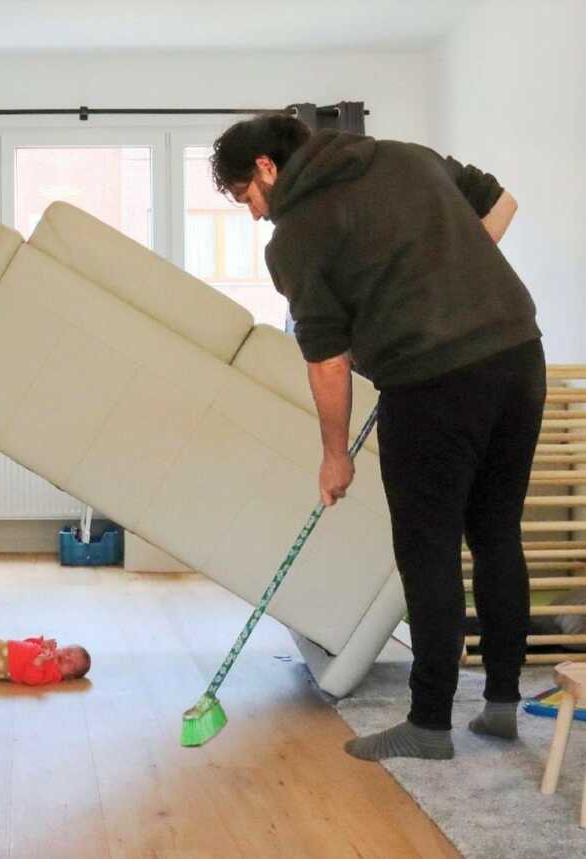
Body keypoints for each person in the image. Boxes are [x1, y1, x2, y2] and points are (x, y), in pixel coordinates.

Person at [210, 112, 544, 761]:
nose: (252, 214)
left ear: (267, 168)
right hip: (517, 356)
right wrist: (451, 287)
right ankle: (502, 704)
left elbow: (328, 361)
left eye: (244, 197)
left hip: (432, 385)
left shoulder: (296, 236)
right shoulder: (403, 156)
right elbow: (501, 204)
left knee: (430, 552)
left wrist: (334, 456)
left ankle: (428, 725)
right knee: (497, 534)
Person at [0, 627, 91, 685]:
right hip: (0, 647)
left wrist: (39, 661)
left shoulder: (53, 674)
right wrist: (41, 643)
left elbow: (31, 679)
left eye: (70, 663)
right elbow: (26, 643)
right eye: (68, 652)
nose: (66, 657)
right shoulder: (48, 653)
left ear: (69, 676)